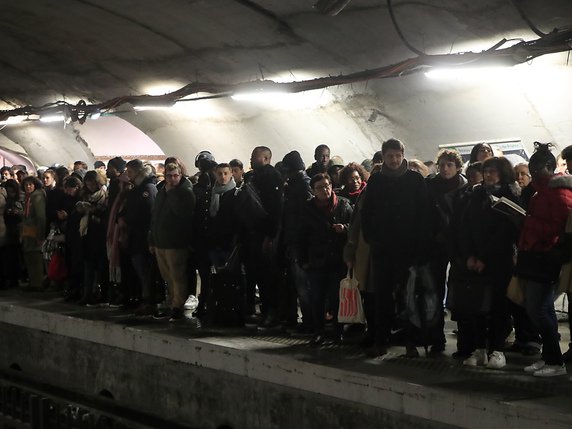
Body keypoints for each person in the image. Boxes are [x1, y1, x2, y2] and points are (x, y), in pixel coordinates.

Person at [361, 138, 431, 358]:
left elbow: (424, 214)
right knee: (383, 297)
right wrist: (372, 238)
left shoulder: (415, 180)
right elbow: (367, 213)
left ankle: (411, 342)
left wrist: (420, 245)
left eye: (397, 156)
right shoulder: (376, 181)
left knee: (409, 296)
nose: (393, 160)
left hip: (409, 249)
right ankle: (381, 341)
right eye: (389, 156)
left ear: (403, 155)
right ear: (384, 157)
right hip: (383, 249)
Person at [515, 142, 572, 377]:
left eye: (540, 167)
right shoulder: (541, 193)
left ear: (550, 167)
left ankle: (555, 361)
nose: (535, 172)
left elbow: (560, 227)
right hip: (536, 254)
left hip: (546, 257)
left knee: (537, 308)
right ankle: (550, 356)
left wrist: (528, 222)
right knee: (541, 308)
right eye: (533, 167)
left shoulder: (558, 193)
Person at [458, 157, 520, 369]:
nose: (489, 175)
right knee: (476, 306)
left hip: (499, 261)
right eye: (486, 171)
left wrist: (484, 257)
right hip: (476, 261)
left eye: (493, 172)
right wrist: (470, 255)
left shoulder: (510, 196)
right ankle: (479, 349)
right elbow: (464, 226)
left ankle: (497, 349)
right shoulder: (476, 195)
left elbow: (506, 231)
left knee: (498, 307)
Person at [298, 173, 352, 344]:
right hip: (317, 261)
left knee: (337, 298)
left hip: (338, 260)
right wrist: (303, 259)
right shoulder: (308, 209)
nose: (325, 190)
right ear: (313, 191)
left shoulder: (343, 205)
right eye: (320, 187)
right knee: (317, 298)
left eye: (327, 185)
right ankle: (318, 331)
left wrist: (345, 228)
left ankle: (338, 331)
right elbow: (302, 237)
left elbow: (356, 226)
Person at [426, 149, 467, 355]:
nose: (445, 168)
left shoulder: (466, 188)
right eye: (442, 164)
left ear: (458, 167)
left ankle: (464, 340)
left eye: (449, 164)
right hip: (437, 244)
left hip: (459, 244)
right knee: (435, 291)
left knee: (460, 289)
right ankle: (436, 337)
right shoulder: (430, 187)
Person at [242, 146, 284, 328]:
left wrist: (270, 235)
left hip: (264, 234)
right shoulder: (256, 177)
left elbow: (274, 209)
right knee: (259, 274)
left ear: (266, 158)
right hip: (255, 233)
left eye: (255, 156)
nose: (251, 159)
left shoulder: (270, 176)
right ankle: (266, 310)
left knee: (267, 276)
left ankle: (272, 312)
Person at [149, 163, 196, 322]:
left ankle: (177, 305)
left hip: (176, 242)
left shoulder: (185, 192)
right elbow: (155, 216)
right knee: (167, 276)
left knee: (178, 275)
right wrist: (152, 239)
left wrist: (172, 195)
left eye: (175, 176)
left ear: (181, 175)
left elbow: (183, 214)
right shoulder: (163, 191)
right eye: (169, 176)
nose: (172, 179)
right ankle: (172, 303)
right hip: (161, 241)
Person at [281, 151, 313, 333]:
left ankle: (309, 323)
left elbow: (302, 218)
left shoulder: (301, 186)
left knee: (303, 285)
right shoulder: (297, 185)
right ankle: (307, 321)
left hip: (300, 243)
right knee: (299, 284)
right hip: (295, 241)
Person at [122, 159, 158, 315]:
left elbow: (148, 213)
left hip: (143, 236)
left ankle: (148, 300)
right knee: (139, 268)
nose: (127, 175)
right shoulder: (137, 188)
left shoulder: (147, 189)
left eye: (129, 172)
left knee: (144, 270)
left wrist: (129, 219)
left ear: (137, 171)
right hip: (136, 235)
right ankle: (142, 298)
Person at [76, 171, 108, 305]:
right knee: (88, 265)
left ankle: (101, 293)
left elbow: (105, 214)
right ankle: (87, 293)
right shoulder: (85, 195)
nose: (90, 187)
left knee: (100, 266)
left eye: (92, 184)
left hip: (99, 234)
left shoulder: (104, 195)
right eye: (88, 184)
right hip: (87, 233)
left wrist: (94, 212)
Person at [20, 176, 47, 290]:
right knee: (29, 257)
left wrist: (40, 234)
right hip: (28, 230)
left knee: (35, 257)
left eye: (30, 184)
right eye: (26, 185)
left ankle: (37, 283)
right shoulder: (28, 197)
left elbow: (41, 216)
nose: (28, 187)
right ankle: (33, 281)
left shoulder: (37, 196)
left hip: (35, 230)